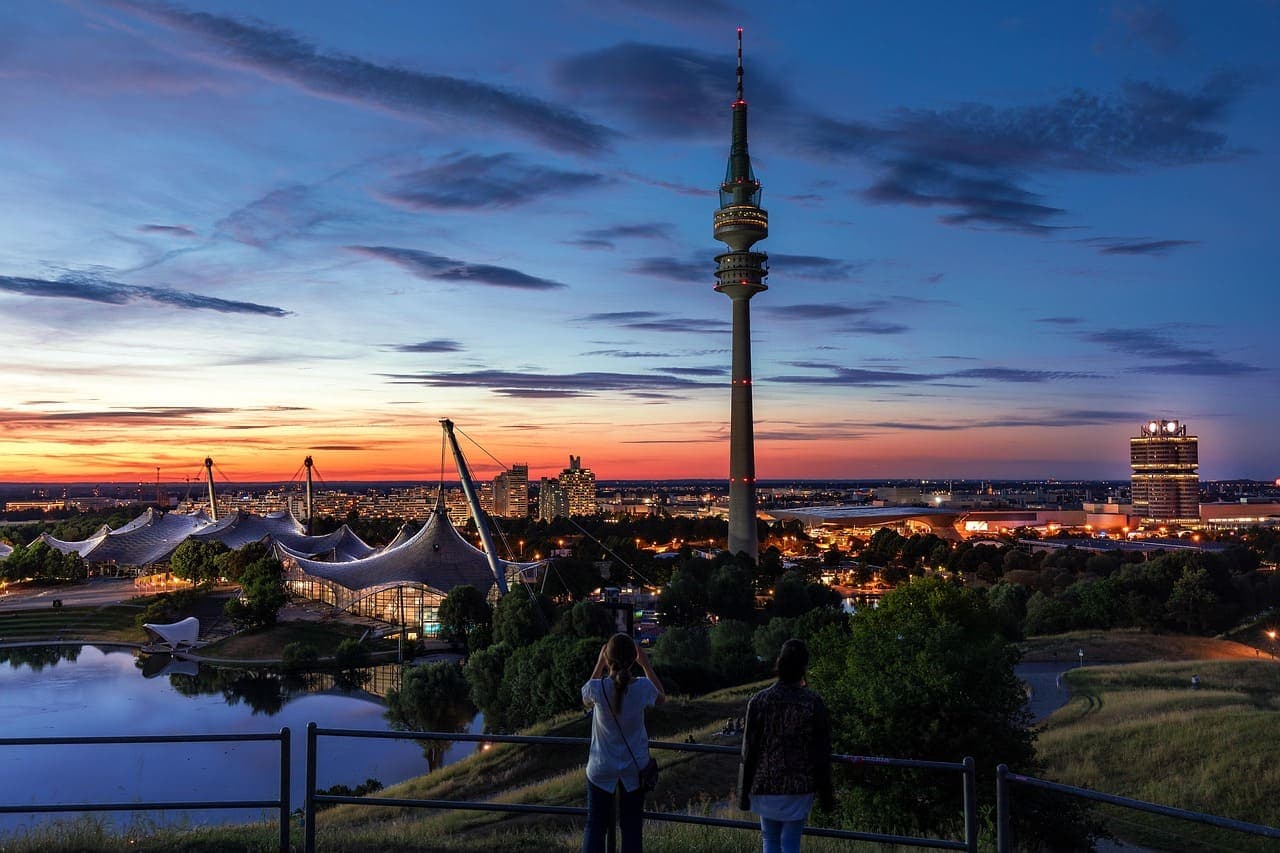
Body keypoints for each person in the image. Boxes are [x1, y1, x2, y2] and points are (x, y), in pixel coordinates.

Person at [738, 639, 834, 853]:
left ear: (779, 663)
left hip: (765, 783)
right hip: (798, 786)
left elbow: (749, 750)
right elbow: (822, 751)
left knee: (770, 840)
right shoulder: (813, 702)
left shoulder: (759, 701)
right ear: (804, 667)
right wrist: (826, 793)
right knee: (790, 843)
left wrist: (743, 793)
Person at [581, 632, 666, 853]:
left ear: (608, 658)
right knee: (631, 829)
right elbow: (662, 697)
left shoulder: (597, 689)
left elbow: (585, 699)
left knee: (595, 826)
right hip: (634, 769)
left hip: (601, 767)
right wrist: (646, 665)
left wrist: (600, 664)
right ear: (633, 659)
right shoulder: (643, 687)